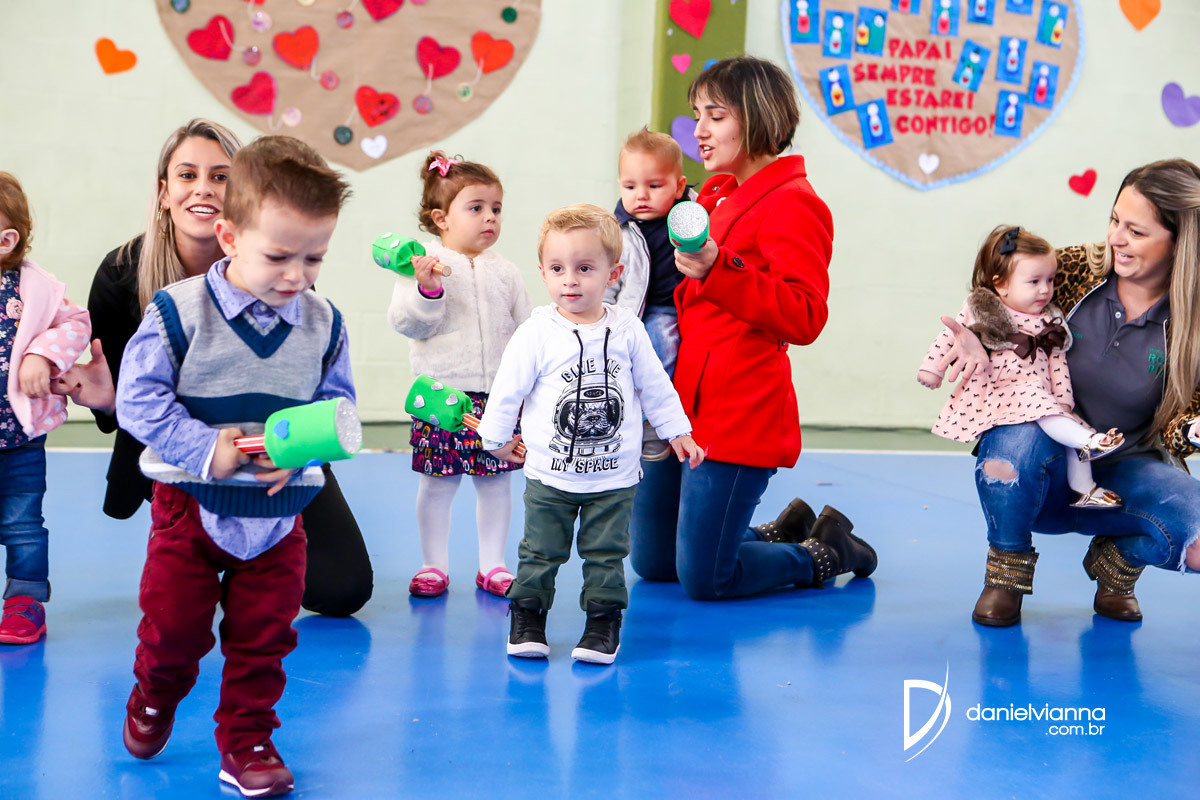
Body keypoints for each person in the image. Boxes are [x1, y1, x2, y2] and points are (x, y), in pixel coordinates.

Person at [53, 118, 373, 617]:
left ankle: (244, 564)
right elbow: (136, 406)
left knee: (341, 589)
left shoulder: (291, 279)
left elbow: (324, 396)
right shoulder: (123, 274)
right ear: (164, 192)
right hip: (184, 454)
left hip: (271, 453)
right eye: (187, 175)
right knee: (183, 595)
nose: (203, 188)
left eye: (220, 176)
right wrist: (116, 402)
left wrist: (299, 451)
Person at [116, 135, 354, 798]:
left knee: (264, 639)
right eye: (278, 256)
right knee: (173, 632)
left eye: (314, 257)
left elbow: (338, 409)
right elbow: (137, 399)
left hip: (279, 517)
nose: (296, 276)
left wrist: (304, 450)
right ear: (229, 236)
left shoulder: (325, 323)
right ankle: (155, 692)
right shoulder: (179, 311)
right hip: (190, 508)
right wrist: (202, 447)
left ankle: (248, 740)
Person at [629, 56, 877, 600]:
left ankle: (824, 552)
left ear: (758, 116)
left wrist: (720, 269)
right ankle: (778, 530)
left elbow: (805, 314)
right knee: (653, 561)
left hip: (737, 407)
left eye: (715, 116)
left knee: (705, 579)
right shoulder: (714, 195)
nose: (699, 130)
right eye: (698, 114)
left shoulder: (795, 204)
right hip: (680, 402)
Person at [932, 158, 1200, 625]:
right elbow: (996, 288)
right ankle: (1006, 572)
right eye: (1115, 220)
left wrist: (1195, 428)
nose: (1116, 238)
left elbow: (1181, 426)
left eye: (1136, 231)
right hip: (1041, 467)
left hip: (1125, 474)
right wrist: (978, 333)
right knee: (1014, 438)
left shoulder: (1193, 319)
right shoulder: (1076, 268)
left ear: (1180, 242)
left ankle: (1117, 565)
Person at [477, 204, 703, 664]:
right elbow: (507, 389)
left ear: (613, 273)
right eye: (558, 269)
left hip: (613, 479)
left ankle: (602, 622)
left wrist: (677, 430)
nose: (570, 281)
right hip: (550, 476)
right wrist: (496, 440)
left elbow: (655, 386)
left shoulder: (628, 330)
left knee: (606, 554)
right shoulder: (536, 333)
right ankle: (528, 615)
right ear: (543, 272)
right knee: (540, 551)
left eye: (584, 268)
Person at [387, 151, 532, 598]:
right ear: (441, 218)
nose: (490, 217)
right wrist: (428, 291)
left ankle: (493, 566)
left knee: (496, 484)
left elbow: (527, 331)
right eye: (476, 207)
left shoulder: (506, 272)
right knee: (437, 483)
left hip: (497, 397)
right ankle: (433, 565)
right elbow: (407, 323)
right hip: (440, 395)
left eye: (496, 208)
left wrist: (530, 386)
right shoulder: (420, 266)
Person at [918, 225, 1126, 513]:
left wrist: (1063, 400)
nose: (1045, 289)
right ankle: (1090, 442)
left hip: (1038, 393)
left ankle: (1084, 488)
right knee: (1046, 409)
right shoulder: (984, 308)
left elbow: (1057, 362)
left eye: (1050, 280)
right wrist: (932, 369)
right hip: (1003, 387)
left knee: (1065, 424)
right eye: (1034, 281)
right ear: (1001, 284)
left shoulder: (1050, 318)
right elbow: (952, 336)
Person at [0, 172, 91, 645]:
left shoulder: (33, 289)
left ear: (5, 241)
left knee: (22, 525)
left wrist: (41, 354)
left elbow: (76, 324)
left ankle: (25, 600)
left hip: (18, 441)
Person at [605, 127, 694, 459]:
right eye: (630, 187)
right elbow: (609, 277)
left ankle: (653, 422)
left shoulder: (693, 214)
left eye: (654, 186)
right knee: (626, 362)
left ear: (679, 186)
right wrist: (602, 312)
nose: (641, 196)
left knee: (663, 349)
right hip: (634, 311)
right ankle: (631, 419)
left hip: (670, 308)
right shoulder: (618, 228)